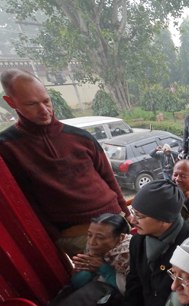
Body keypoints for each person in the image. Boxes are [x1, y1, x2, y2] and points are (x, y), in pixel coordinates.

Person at [0, 69, 129, 256]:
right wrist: (53, 237)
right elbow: (25, 200)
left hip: (116, 219)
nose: (44, 110)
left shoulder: (80, 136)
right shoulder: (8, 148)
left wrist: (125, 211)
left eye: (46, 101)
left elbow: (108, 177)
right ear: (11, 102)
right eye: (31, 104)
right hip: (75, 235)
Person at [71, 213, 132, 294]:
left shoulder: (129, 254)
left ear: (121, 237)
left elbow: (131, 291)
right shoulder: (94, 248)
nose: (91, 242)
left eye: (100, 237)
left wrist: (103, 268)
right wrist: (87, 269)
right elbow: (75, 284)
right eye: (89, 235)